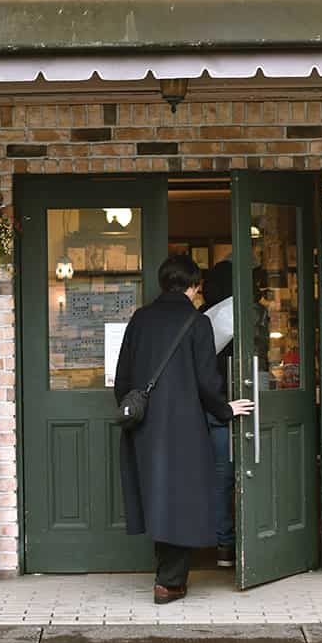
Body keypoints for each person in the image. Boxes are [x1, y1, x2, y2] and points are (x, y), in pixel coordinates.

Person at [113, 254, 254, 605]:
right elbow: (208, 383)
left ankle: (167, 574)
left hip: (145, 426)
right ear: (193, 286)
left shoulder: (140, 319)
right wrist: (225, 408)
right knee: (182, 500)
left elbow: (122, 380)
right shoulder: (197, 322)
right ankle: (169, 582)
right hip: (185, 427)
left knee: (157, 496)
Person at [200, 259, 237, 568]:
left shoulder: (204, 317)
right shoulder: (232, 316)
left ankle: (221, 544)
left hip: (207, 407)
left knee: (218, 479)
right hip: (224, 405)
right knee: (225, 477)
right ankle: (225, 544)